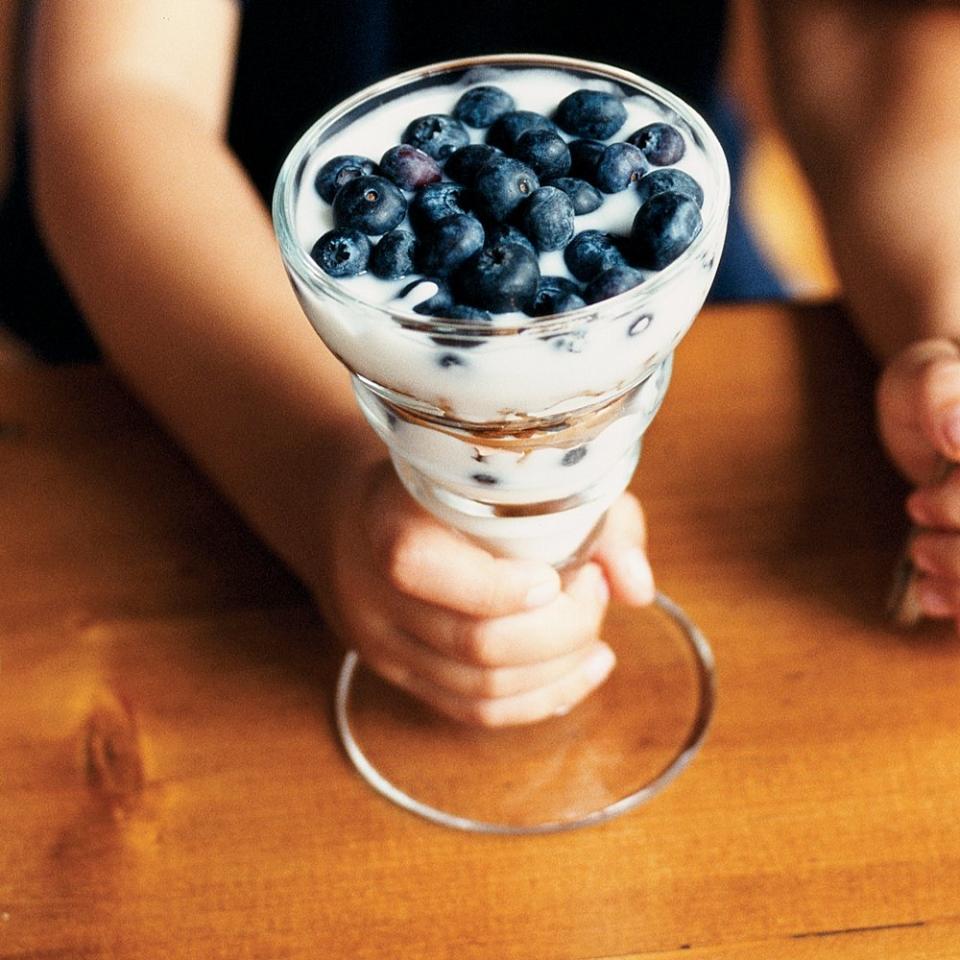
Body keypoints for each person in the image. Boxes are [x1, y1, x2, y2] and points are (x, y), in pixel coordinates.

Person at [11, 1, 960, 725]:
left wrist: (943, 323)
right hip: (199, 296)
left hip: (647, 271)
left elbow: (863, 29)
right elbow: (120, 97)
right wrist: (325, 488)